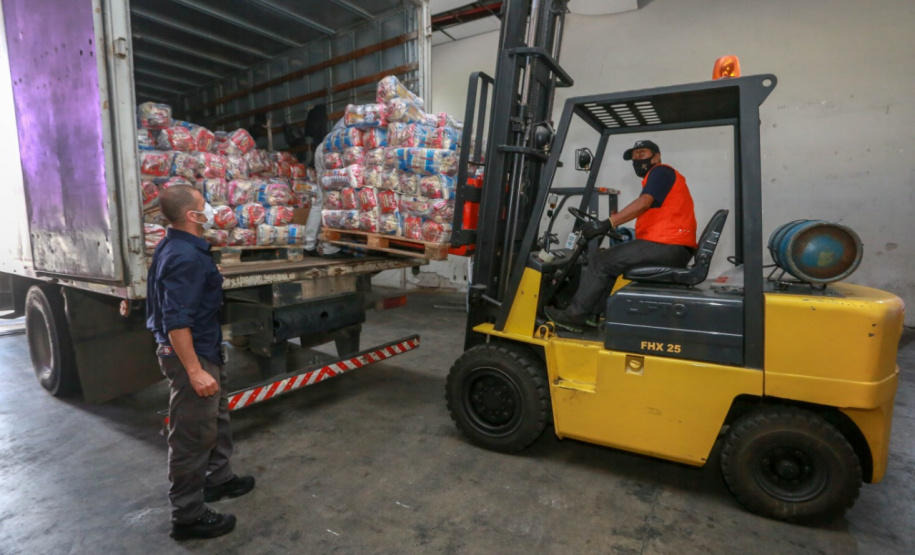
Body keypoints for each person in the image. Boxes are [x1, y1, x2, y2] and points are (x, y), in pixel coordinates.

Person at [147, 184, 255, 541]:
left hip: (206, 347)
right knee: (192, 435)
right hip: (190, 355)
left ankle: (218, 479)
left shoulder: (181, 246)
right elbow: (177, 321)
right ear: (193, 215)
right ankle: (188, 516)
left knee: (216, 417)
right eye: (203, 204)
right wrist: (194, 371)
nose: (211, 208)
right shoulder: (183, 256)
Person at [545, 140, 697, 332]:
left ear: (656, 157)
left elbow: (643, 203)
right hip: (672, 245)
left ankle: (573, 316)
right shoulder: (661, 177)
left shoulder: (661, 171)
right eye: (634, 158)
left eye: (642, 154)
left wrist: (607, 223)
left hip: (667, 244)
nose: (637, 160)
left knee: (600, 261)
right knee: (609, 260)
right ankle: (592, 314)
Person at [303, 118, 345, 258]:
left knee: (321, 200)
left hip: (324, 147)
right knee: (332, 200)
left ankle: (308, 245)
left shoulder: (351, 115)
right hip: (334, 151)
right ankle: (329, 248)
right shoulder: (370, 119)